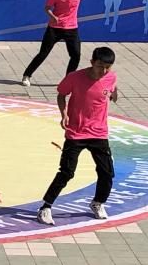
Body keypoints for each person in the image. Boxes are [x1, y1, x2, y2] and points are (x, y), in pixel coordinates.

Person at [36, 46, 119, 225]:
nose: (103, 71)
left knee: (107, 173)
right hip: (76, 133)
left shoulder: (111, 77)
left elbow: (112, 88)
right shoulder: (75, 77)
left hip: (99, 133)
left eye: (107, 67)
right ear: (92, 62)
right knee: (67, 172)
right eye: (100, 66)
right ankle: (45, 207)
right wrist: (64, 114)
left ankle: (98, 203)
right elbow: (61, 94)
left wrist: (114, 93)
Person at [22, 0, 93, 86]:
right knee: (43, 53)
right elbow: (47, 8)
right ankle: (27, 75)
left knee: (76, 55)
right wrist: (52, 16)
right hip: (54, 28)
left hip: (71, 28)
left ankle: (68, 80)